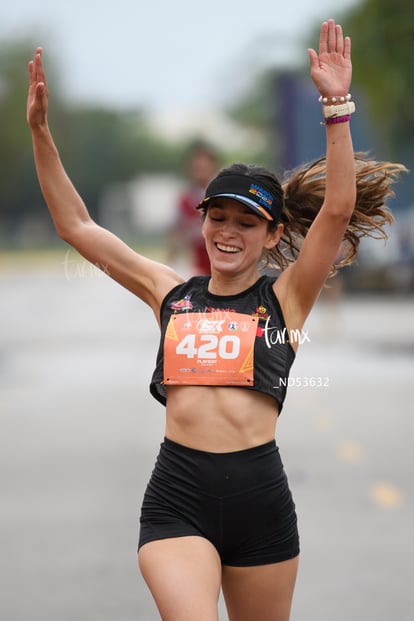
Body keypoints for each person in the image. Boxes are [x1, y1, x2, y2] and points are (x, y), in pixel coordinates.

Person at [27, 19, 406, 621]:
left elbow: (337, 208)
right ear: (203, 221)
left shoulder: (288, 299)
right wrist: (41, 133)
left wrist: (336, 103)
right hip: (178, 494)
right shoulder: (169, 292)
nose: (227, 233)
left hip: (261, 498)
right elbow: (78, 227)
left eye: (246, 222)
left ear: (273, 233)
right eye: (217, 217)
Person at [167, 142, 219, 275]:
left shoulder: (222, 195)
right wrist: (171, 253)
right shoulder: (186, 199)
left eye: (205, 167)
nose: (201, 170)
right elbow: (177, 228)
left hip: (224, 254)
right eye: (197, 167)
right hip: (199, 260)